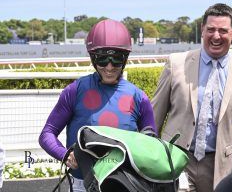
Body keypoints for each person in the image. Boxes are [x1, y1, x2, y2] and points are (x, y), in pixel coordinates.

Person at [151, 3, 232, 192]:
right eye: (210, 29)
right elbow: (154, 116)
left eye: (222, 30)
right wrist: (149, 158)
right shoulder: (175, 64)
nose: (216, 36)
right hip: (176, 161)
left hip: (217, 165)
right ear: (202, 30)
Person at [39, 19, 157, 192]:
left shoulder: (139, 98)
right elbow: (47, 134)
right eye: (102, 59)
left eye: (116, 59)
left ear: (125, 59)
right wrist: (65, 155)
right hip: (83, 183)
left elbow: (151, 144)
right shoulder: (75, 91)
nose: (109, 67)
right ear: (93, 58)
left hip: (125, 183)